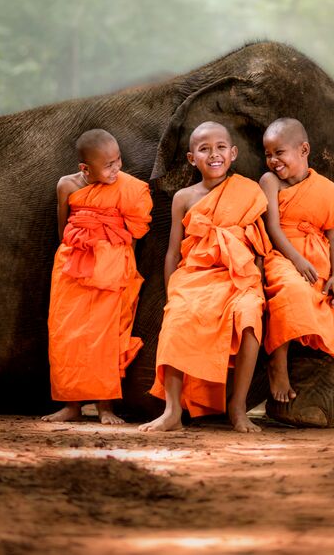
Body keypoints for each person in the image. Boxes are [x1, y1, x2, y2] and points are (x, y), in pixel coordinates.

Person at [139, 122, 268, 433]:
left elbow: (260, 245)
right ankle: (172, 411)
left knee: (250, 314)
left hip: (238, 276)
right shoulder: (183, 197)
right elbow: (173, 251)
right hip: (194, 275)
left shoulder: (248, 191)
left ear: (233, 153)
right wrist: (173, 292)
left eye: (221, 147)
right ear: (190, 158)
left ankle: (237, 408)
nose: (214, 154)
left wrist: (257, 283)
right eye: (204, 149)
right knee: (178, 317)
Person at [42, 129, 152, 424]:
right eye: (108, 165)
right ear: (85, 169)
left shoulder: (127, 187)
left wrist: (125, 267)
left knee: (107, 336)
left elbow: (135, 231)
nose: (116, 169)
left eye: (118, 161)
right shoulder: (66, 185)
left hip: (112, 267)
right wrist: (73, 254)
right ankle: (71, 406)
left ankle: (106, 408)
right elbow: (63, 227)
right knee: (67, 334)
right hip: (72, 265)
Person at [260, 117, 334, 404]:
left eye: (279, 152)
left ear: (303, 149)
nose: (273, 160)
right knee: (292, 294)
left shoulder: (323, 187)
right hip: (284, 256)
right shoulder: (270, 181)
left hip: (319, 260)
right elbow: (273, 228)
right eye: (268, 154)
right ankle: (278, 366)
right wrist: (296, 261)